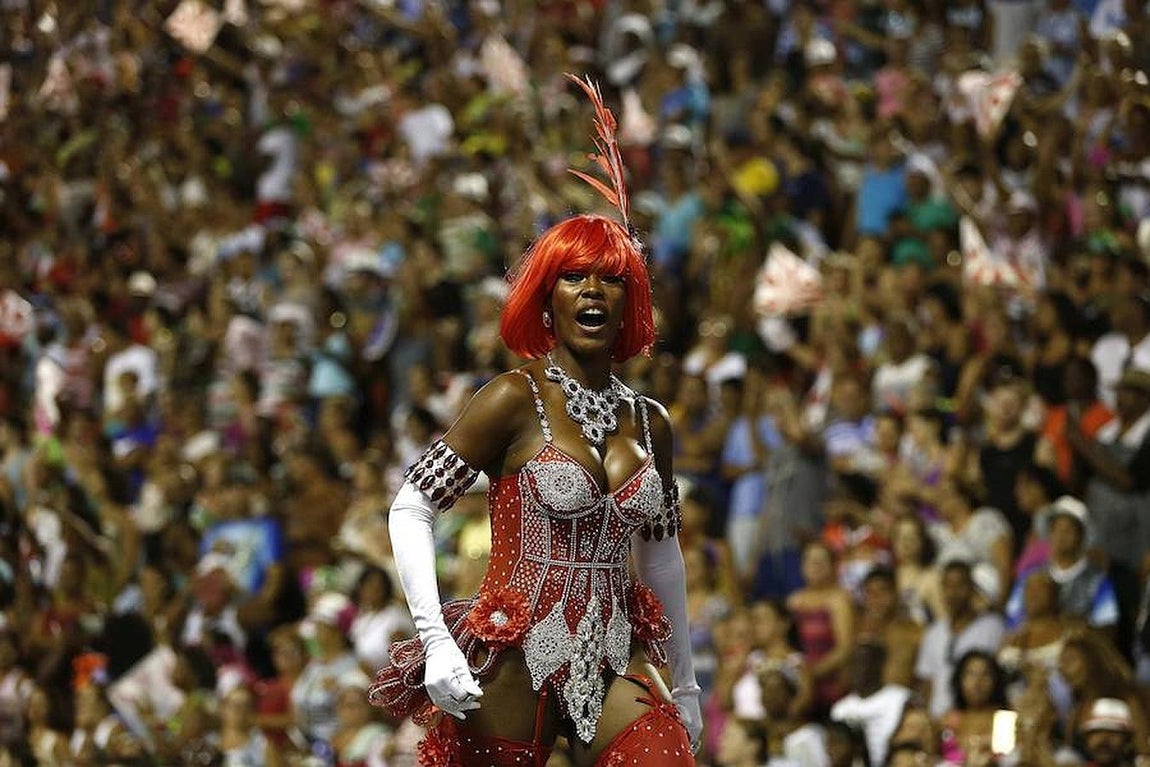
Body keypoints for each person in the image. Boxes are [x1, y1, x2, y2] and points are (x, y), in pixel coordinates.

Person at [368, 75, 700, 767]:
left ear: (628, 300)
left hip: (616, 652)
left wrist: (688, 679)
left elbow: (661, 555)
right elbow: (411, 506)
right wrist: (434, 638)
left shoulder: (651, 421)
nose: (592, 290)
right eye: (574, 276)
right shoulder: (512, 398)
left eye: (610, 277)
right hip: (513, 653)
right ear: (545, 298)